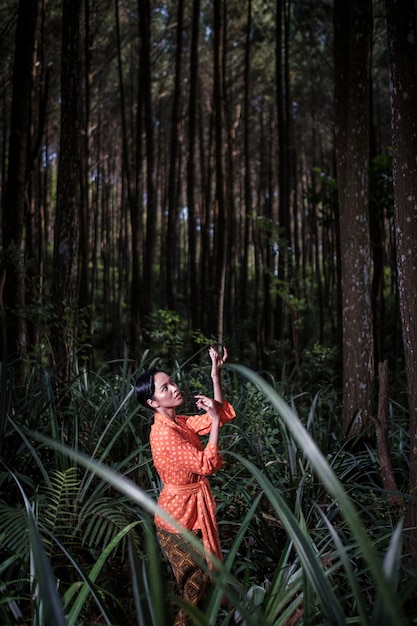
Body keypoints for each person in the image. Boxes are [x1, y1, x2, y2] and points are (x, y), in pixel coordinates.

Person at [134, 346, 235, 626]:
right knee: (195, 592)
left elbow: (220, 415)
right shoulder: (163, 434)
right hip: (176, 521)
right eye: (165, 388)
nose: (175, 388)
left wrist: (215, 377)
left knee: (199, 593)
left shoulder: (178, 422)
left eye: (172, 382)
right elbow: (206, 465)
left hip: (191, 513)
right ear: (153, 402)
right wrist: (214, 420)